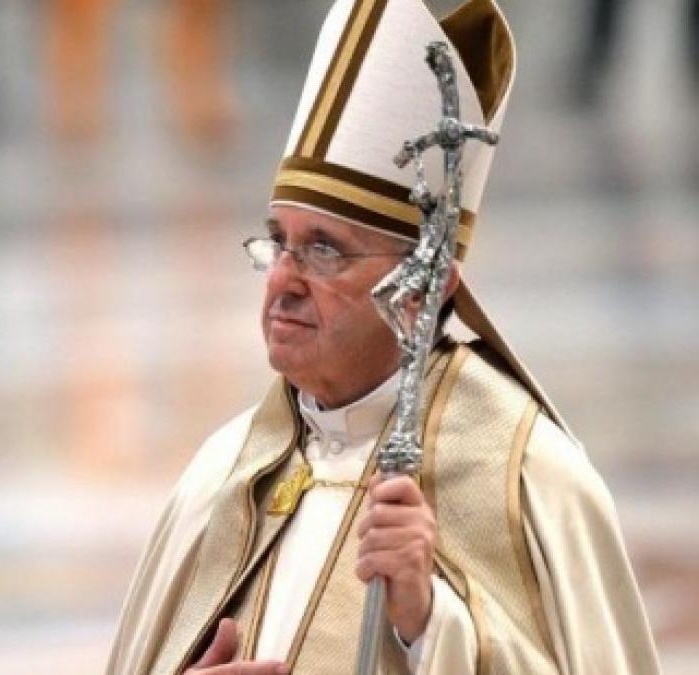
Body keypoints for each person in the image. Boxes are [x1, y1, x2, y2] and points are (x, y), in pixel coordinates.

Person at [105, 0, 662, 674]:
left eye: (323, 252)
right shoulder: (223, 476)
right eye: (278, 242)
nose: (281, 280)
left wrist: (429, 625)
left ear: (428, 286)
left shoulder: (532, 482)